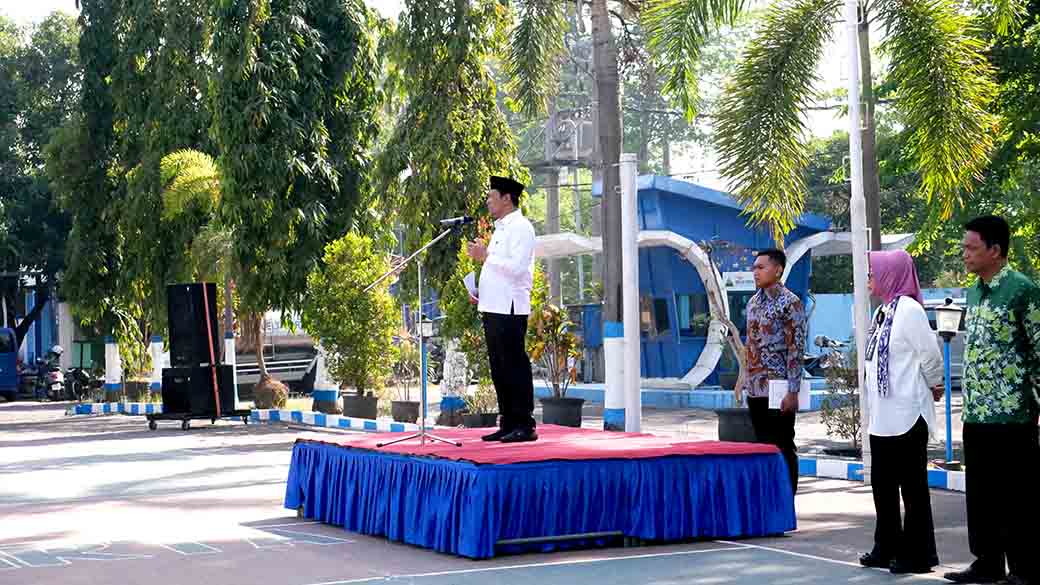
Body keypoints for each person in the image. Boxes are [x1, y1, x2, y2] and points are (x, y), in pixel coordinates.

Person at [944, 216, 1040, 585]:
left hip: (1013, 414)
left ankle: (1024, 567)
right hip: (977, 412)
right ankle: (986, 562)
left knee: (1017, 496)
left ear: (995, 251)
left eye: (972, 247)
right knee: (982, 495)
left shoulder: (1022, 290)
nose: (965, 254)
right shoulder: (973, 292)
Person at [858, 250, 944, 575]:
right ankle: (887, 547)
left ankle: (919, 555)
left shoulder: (909, 311)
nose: (869, 279)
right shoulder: (882, 312)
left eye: (873, 273)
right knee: (882, 486)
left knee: (913, 490)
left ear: (890, 274)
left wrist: (935, 384)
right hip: (882, 418)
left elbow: (930, 356)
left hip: (908, 415)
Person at [466, 175, 538, 443]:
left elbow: (518, 269)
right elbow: (498, 271)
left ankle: (524, 424)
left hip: (510, 308)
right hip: (492, 306)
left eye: (491, 197)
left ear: (507, 198)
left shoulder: (522, 228)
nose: (488, 202)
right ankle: (508, 421)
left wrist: (486, 256)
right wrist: (480, 292)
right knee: (499, 367)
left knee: (514, 365)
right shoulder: (500, 229)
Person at [743, 248, 806, 492]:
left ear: (777, 269)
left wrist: (793, 391)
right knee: (762, 447)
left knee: (783, 445)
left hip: (779, 389)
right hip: (756, 389)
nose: (755, 272)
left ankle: (786, 502)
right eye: (754, 267)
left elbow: (795, 349)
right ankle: (768, 504)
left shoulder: (791, 303)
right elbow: (750, 344)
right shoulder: (753, 302)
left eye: (761, 267)